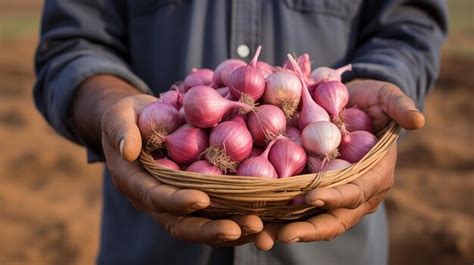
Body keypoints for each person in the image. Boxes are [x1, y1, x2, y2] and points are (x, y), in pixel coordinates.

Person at [33, 1, 447, 264]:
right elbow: (72, 44)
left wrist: (381, 88)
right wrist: (111, 108)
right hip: (154, 240)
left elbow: (408, 25)